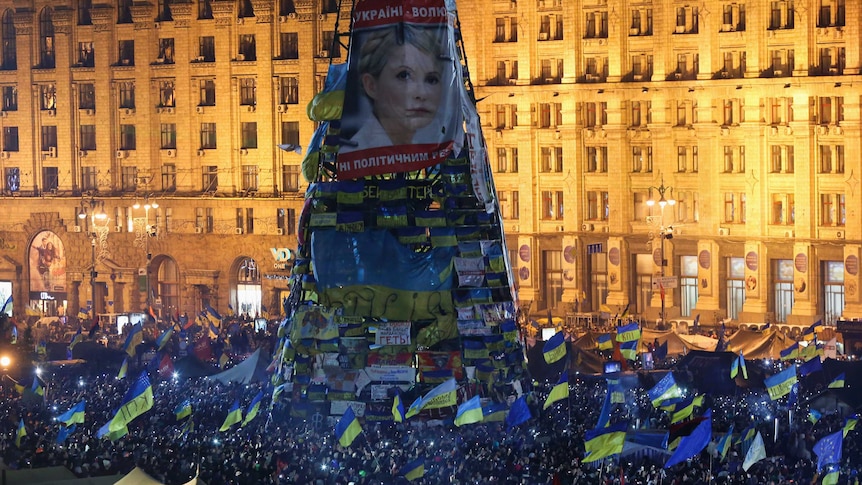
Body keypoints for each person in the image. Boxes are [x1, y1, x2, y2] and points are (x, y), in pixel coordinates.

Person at [344, 25, 448, 151]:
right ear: (371, 85)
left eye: (431, 79)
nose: (421, 93)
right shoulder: (356, 152)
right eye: (404, 75)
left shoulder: (420, 149)